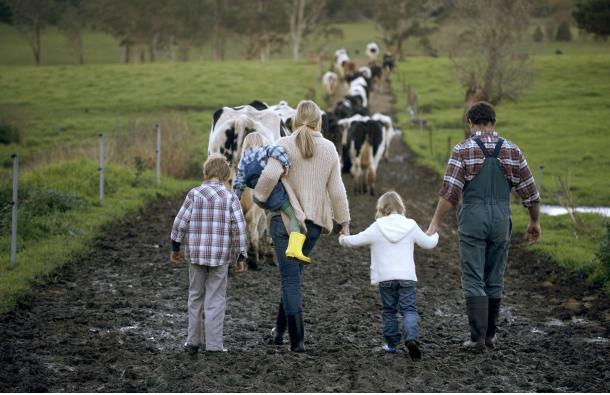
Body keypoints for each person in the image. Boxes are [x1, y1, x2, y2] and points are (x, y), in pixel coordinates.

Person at [426, 101, 541, 353]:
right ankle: (490, 336)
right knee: (494, 276)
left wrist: (435, 223)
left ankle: (477, 339)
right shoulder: (512, 150)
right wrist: (534, 221)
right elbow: (531, 193)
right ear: (494, 123)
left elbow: (450, 193)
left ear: (470, 123)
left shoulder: (462, 149)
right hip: (501, 219)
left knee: (473, 276)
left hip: (473, 219)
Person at [254, 100, 350, 352]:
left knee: (290, 279)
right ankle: (279, 332)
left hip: (286, 224)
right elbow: (337, 190)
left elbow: (268, 176)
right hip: (313, 226)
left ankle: (297, 342)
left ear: (294, 120)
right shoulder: (329, 149)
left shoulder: (283, 145)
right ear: (319, 121)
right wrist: (344, 221)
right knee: (292, 276)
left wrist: (259, 198)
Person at [338, 191, 438, 361]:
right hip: (407, 277)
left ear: (382, 208)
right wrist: (435, 234)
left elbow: (353, 241)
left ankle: (391, 345)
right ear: (400, 207)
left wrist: (343, 238)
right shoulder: (411, 225)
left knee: (389, 311)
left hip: (385, 278)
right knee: (409, 310)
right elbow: (428, 244)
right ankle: (411, 339)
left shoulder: (377, 226)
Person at [170, 154, 248, 354]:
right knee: (216, 298)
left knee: (195, 296)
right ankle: (214, 345)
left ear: (206, 173)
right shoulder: (231, 197)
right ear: (226, 176)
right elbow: (239, 228)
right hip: (220, 258)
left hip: (196, 256)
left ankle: (192, 342)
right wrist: (241, 255)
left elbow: (180, 222)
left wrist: (175, 246)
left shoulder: (194, 194)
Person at [233, 132, 310, 263]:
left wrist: (235, 200)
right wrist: (286, 166)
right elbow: (279, 151)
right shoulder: (265, 150)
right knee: (293, 215)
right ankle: (295, 249)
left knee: (270, 213)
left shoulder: (243, 159)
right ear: (261, 142)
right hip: (274, 193)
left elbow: (239, 183)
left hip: (259, 197)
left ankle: (271, 238)